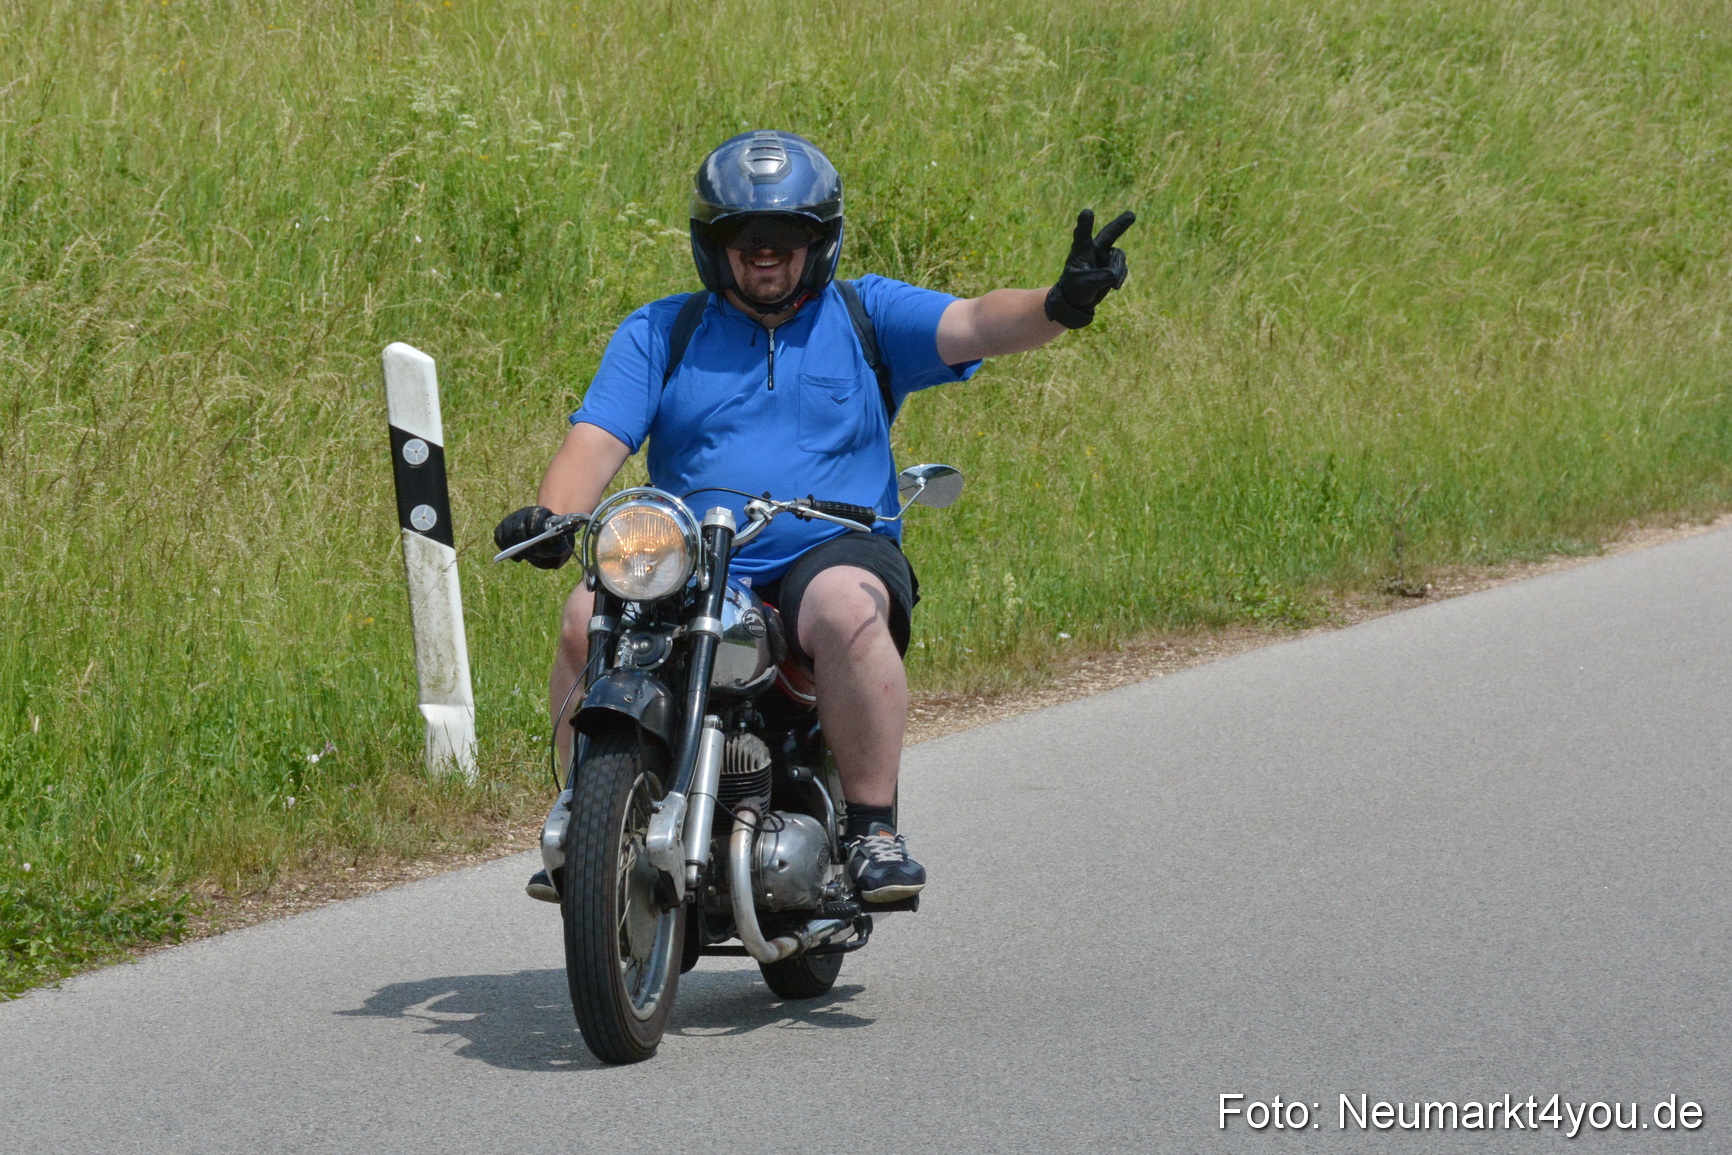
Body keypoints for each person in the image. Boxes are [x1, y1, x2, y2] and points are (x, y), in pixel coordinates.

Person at [496, 129, 1133, 904]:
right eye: (745, 236)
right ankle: (583, 820)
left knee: (843, 608)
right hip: (692, 561)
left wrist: (1059, 304)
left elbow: (975, 323)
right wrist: (555, 518)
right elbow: (596, 439)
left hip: (835, 547)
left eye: (786, 237)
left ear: (819, 240)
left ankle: (872, 828)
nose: (765, 253)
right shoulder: (663, 331)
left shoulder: (866, 313)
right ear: (714, 244)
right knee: (581, 612)